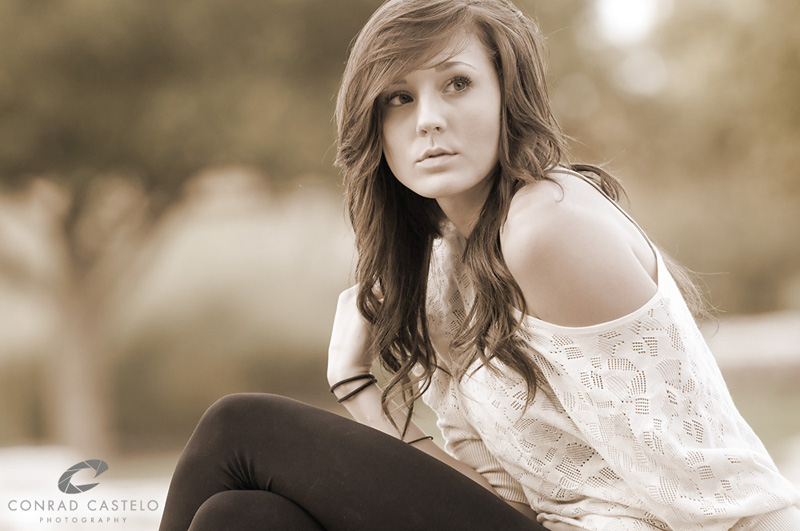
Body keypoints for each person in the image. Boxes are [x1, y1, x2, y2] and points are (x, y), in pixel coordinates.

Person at [158, 1, 800, 530]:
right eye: (398, 99)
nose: (429, 120)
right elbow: (501, 499)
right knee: (241, 519)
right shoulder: (445, 270)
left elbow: (713, 496)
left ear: (506, 95)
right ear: (374, 127)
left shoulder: (547, 226)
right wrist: (358, 389)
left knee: (238, 427)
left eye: (457, 84)